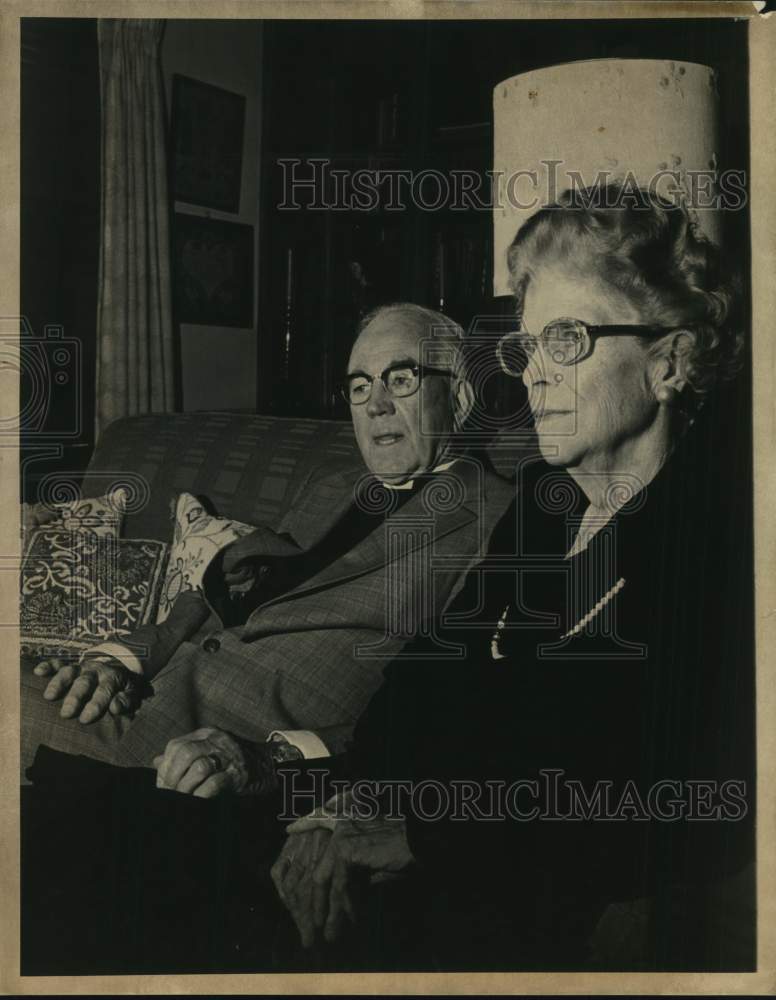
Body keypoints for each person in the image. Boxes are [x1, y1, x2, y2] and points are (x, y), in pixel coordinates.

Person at [261, 184, 754, 970]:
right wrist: (343, 805)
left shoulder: (720, 544)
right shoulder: (543, 509)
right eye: (527, 348)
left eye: (567, 339)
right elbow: (419, 682)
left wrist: (416, 836)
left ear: (671, 361)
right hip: (419, 839)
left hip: (506, 905)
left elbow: (681, 810)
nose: (533, 376)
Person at [20, 303, 514, 776]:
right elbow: (220, 593)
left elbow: (459, 711)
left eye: (401, 379)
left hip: (223, 751)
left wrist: (277, 760)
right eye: (360, 386)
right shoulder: (331, 485)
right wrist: (115, 660)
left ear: (461, 398)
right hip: (141, 693)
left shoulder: (500, 519)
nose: (376, 405)